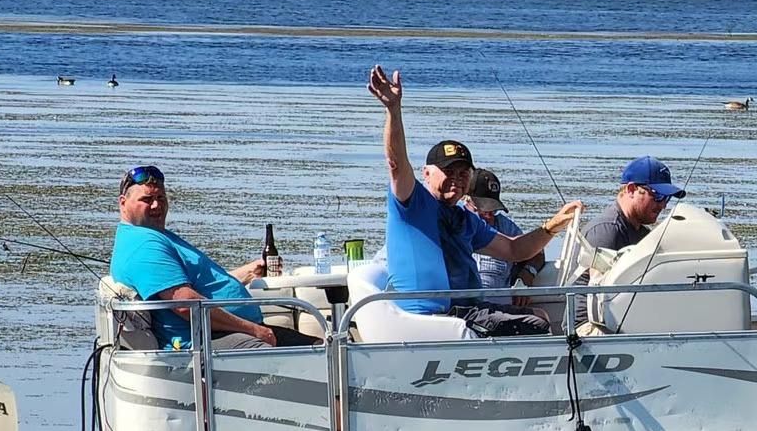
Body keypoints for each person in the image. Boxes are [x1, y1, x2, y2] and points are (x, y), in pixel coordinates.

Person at [368, 65, 580, 337]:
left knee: (540, 315)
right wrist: (393, 109)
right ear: (427, 173)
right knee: (535, 325)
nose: (456, 179)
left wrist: (552, 226)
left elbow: (515, 249)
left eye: (463, 173)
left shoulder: (465, 219)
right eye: (449, 172)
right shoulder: (412, 203)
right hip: (436, 316)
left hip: (469, 310)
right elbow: (396, 163)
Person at [109, 164, 323, 349]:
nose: (157, 205)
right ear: (123, 203)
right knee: (321, 356)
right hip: (204, 341)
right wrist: (255, 330)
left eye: (160, 198)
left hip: (226, 331)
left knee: (321, 346)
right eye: (147, 199)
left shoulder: (149, 235)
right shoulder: (145, 245)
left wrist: (248, 273)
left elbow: (195, 286)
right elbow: (186, 305)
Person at [572, 155, 686, 327]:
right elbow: (601, 295)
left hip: (623, 319)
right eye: (658, 196)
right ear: (631, 189)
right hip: (589, 326)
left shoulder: (642, 233)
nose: (663, 205)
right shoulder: (607, 231)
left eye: (667, 198)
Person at [465, 168, 546, 305]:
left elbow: (537, 252)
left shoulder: (506, 226)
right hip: (465, 302)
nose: (489, 216)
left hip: (498, 304)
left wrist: (527, 274)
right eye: (484, 210)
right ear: (467, 199)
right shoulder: (457, 221)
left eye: (493, 210)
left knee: (539, 316)